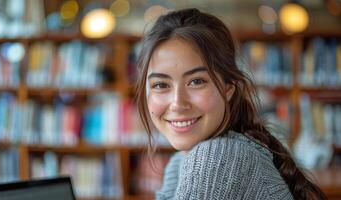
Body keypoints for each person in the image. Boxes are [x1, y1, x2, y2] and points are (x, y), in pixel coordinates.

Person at [134, 8, 326, 200]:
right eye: (160, 85)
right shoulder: (178, 163)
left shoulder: (218, 157)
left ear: (228, 89)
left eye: (196, 81)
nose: (177, 103)